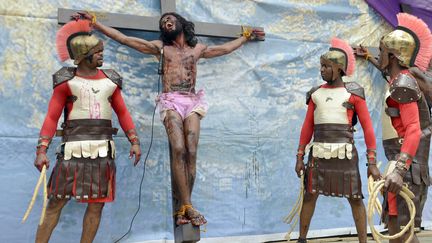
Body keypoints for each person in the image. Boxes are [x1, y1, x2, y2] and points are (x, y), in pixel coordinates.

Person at [76, 11, 264, 226]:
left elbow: (225, 48)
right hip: (171, 100)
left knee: (191, 151)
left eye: (170, 19)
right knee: (178, 149)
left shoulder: (198, 49)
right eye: (163, 21)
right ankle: (187, 207)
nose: (166, 22)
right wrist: (96, 24)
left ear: (181, 24)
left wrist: (245, 36)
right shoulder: (161, 48)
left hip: (192, 101)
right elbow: (125, 39)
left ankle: (185, 206)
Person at [34, 19, 141, 243]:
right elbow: (52, 117)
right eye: (97, 52)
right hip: (72, 150)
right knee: (55, 202)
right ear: (83, 55)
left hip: (103, 151)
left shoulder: (111, 80)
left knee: (97, 206)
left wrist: (134, 140)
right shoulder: (66, 81)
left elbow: (122, 113)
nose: (102, 56)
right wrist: (41, 150)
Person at [295, 38, 380, 243]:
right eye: (321, 66)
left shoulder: (354, 94)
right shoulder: (315, 94)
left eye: (326, 66)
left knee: (355, 198)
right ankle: (302, 239)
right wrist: (300, 156)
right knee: (309, 195)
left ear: (339, 68)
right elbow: (308, 127)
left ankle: (362, 241)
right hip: (318, 153)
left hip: (345, 154)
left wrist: (372, 161)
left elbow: (368, 128)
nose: (322, 70)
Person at [372, 13, 432, 243]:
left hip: (406, 170)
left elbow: (414, 130)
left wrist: (399, 170)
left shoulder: (404, 83)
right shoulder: (398, 81)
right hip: (401, 165)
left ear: (394, 55)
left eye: (382, 51)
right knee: (396, 233)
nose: (379, 56)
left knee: (403, 234)